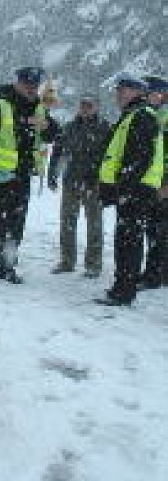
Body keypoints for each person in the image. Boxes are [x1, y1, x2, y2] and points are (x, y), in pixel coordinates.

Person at [0, 66, 61, 285]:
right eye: (27, 84)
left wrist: (47, 124)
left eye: (35, 85)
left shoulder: (39, 108)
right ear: (17, 83)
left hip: (22, 177)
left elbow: (56, 133)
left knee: (15, 225)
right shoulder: (1, 106)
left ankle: (7, 266)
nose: (31, 89)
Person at [95, 72, 164, 306]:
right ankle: (123, 287)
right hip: (133, 190)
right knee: (126, 240)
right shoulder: (133, 115)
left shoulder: (142, 116)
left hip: (136, 192)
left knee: (128, 241)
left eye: (124, 89)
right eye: (118, 89)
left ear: (138, 92)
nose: (118, 93)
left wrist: (123, 188)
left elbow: (138, 159)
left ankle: (123, 291)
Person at [46, 93, 112, 277]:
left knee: (94, 225)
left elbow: (111, 156)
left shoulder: (106, 128)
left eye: (89, 105)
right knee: (67, 223)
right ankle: (67, 261)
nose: (85, 108)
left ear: (97, 107)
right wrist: (53, 173)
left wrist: (107, 180)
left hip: (94, 183)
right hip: (71, 181)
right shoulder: (69, 127)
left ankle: (93, 264)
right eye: (83, 105)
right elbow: (57, 151)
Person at [139, 74, 168, 289]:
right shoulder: (154, 115)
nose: (147, 96)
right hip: (153, 183)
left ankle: (154, 275)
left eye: (151, 93)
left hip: (163, 185)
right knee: (155, 230)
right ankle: (158, 273)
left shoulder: (164, 117)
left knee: (159, 231)